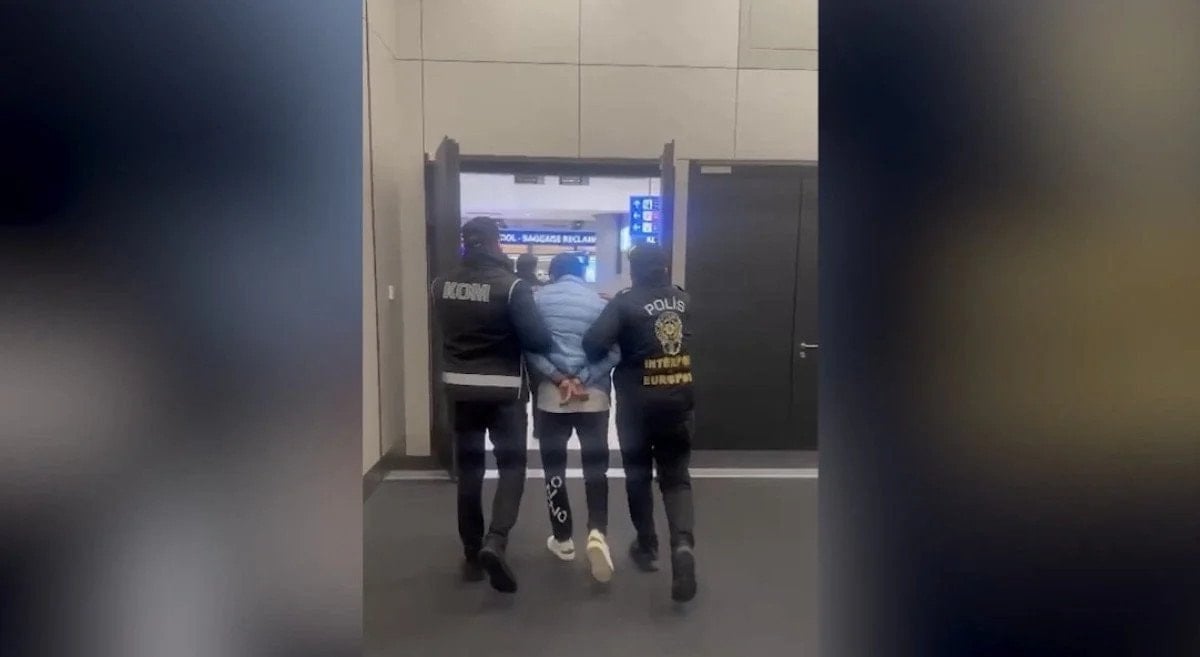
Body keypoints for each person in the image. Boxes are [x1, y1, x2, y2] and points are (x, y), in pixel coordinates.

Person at [431, 217, 553, 594]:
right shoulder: (513, 286)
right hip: (504, 392)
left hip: (459, 389)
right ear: (496, 242)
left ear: (466, 242)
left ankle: (471, 552)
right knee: (512, 466)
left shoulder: (440, 285)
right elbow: (538, 340)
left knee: (469, 470)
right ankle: (496, 541)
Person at [582, 244, 698, 602]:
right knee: (676, 478)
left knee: (638, 475)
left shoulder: (624, 303)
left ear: (633, 271)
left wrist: (616, 319)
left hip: (637, 407)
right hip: (679, 400)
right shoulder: (684, 300)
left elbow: (593, 345)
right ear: (665, 267)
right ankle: (682, 545)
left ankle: (647, 546)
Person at [524, 253, 621, 582]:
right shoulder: (600, 303)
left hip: (552, 397)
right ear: (582, 274)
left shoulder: (537, 302)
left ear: (552, 274)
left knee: (554, 469)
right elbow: (615, 352)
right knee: (596, 468)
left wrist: (559, 378)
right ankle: (597, 533)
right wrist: (583, 377)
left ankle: (563, 538)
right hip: (594, 396)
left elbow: (529, 347)